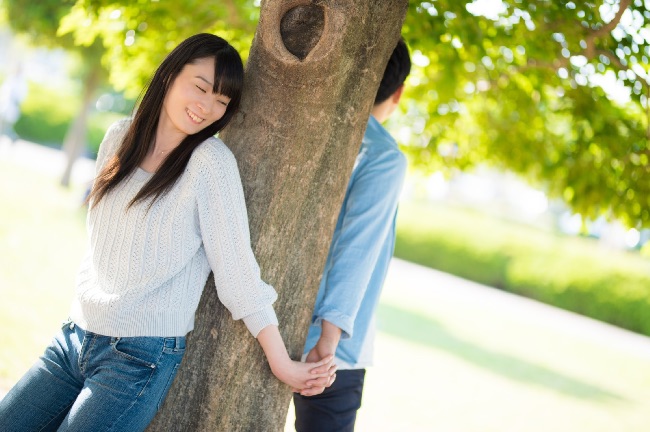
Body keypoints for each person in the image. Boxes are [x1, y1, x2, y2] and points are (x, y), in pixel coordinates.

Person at [0, 33, 335, 432]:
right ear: (170, 74)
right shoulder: (117, 139)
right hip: (72, 338)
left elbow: (238, 272)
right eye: (200, 88)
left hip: (137, 358)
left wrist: (283, 363)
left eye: (222, 101)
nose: (207, 107)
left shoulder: (209, 164)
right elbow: (100, 247)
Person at [293, 38, 412, 432]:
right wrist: (329, 339)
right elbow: (356, 250)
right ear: (398, 92)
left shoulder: (300, 123)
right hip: (331, 350)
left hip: (264, 319)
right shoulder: (383, 155)